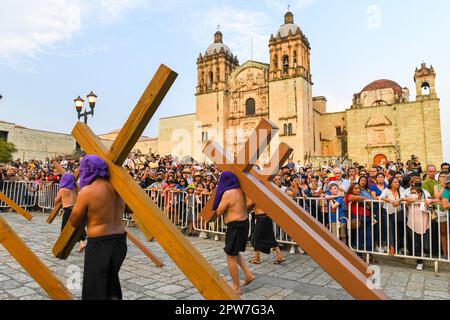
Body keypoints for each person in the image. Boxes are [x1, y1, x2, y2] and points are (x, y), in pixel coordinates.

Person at [69, 155, 127, 300]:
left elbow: (74, 221)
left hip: (100, 243)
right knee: (111, 285)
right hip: (120, 242)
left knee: (95, 290)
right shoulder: (118, 190)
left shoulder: (88, 191)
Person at [212, 172, 254, 295]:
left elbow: (219, 211)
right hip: (244, 224)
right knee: (235, 253)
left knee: (230, 256)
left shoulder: (228, 193)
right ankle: (248, 274)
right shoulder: (241, 191)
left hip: (235, 226)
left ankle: (236, 287)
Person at [247, 198, 285, 265]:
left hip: (262, 218)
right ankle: (280, 256)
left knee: (255, 237)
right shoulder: (263, 193)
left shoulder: (256, 194)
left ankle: (257, 259)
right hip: (266, 217)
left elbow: (248, 204)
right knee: (270, 237)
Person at [55, 173, 86, 252]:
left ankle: (63, 247)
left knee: (64, 229)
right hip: (76, 209)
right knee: (78, 228)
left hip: (68, 210)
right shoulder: (75, 189)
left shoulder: (62, 190)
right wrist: (74, 181)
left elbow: (56, 201)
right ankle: (81, 243)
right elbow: (80, 189)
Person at [405, 187, 432, 270]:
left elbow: (430, 207)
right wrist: (417, 200)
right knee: (416, 245)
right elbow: (408, 200)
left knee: (426, 247)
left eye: (414, 193)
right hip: (412, 225)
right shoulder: (409, 200)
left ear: (420, 193)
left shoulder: (426, 200)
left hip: (425, 225)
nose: (413, 194)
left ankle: (424, 254)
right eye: (411, 193)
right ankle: (419, 262)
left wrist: (426, 202)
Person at [380, 177, 407, 256]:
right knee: (390, 229)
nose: (397, 183)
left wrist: (398, 201)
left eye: (398, 182)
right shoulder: (386, 190)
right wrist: (390, 200)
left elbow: (403, 197)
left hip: (398, 213)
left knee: (398, 230)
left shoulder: (401, 189)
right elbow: (381, 197)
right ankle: (391, 247)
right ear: (391, 184)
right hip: (387, 212)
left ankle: (397, 247)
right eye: (395, 182)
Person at [434, 172, 449, 258]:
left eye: (444, 177)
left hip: (448, 210)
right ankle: (445, 252)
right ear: (438, 178)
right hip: (441, 211)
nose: (443, 178)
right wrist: (443, 187)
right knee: (443, 232)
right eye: (441, 177)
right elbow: (437, 197)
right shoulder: (437, 186)